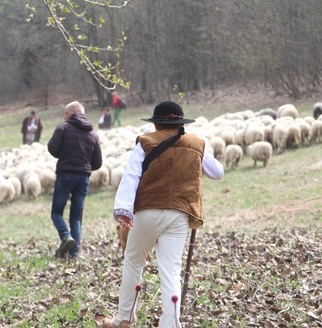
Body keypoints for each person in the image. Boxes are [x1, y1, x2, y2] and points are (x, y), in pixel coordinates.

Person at [101, 101, 224, 328]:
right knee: (171, 270)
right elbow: (217, 173)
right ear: (181, 124)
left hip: (147, 211)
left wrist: (123, 211)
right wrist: (200, 151)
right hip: (179, 214)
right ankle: (171, 324)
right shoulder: (196, 144)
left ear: (156, 125)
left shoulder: (145, 142)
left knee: (134, 262)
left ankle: (124, 319)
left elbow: (131, 176)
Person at [47, 101, 103, 259]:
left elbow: (52, 148)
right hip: (83, 178)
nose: (64, 117)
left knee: (57, 212)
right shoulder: (93, 134)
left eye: (65, 113)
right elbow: (98, 163)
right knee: (76, 217)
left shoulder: (63, 128)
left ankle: (66, 237)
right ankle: (73, 253)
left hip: (65, 175)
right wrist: (84, 165)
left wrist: (65, 155)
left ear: (72, 112)